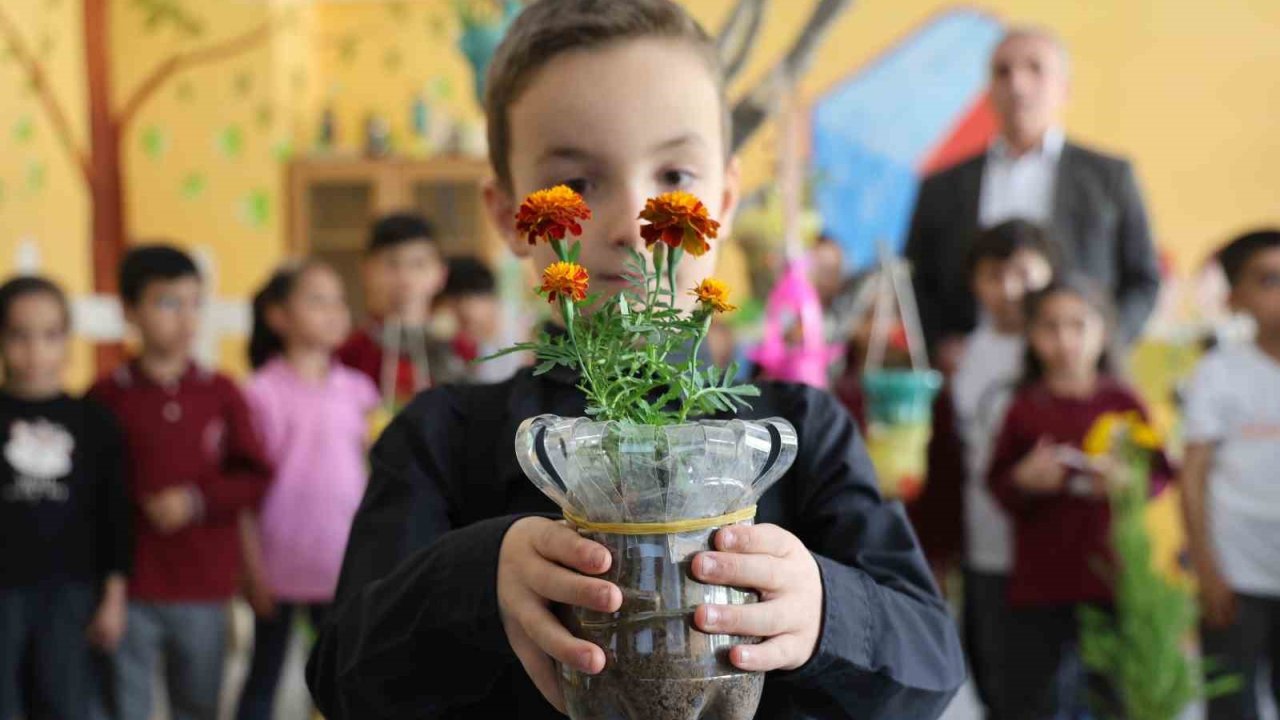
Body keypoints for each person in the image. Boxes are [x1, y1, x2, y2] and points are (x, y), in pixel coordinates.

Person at [306, 1, 965, 718]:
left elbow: (931, 663)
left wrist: (822, 609)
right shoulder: (444, 438)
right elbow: (342, 677)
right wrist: (479, 578)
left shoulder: (800, 430)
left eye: (675, 173)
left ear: (726, 197)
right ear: (508, 216)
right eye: (578, 184)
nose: (633, 223)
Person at [90, 245, 273, 720]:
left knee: (199, 706)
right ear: (130, 310)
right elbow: (91, 491)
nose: (186, 318)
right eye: (168, 303)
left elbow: (253, 478)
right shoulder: (105, 397)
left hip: (204, 587)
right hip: (127, 587)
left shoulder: (222, 392)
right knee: (124, 705)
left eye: (195, 303)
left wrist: (195, 501)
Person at [905, 26, 1160, 361]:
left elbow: (1143, 280)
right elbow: (916, 282)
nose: (1018, 84)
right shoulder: (942, 185)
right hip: (970, 369)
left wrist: (1100, 348)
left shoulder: (1110, 178)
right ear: (988, 91)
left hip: (1077, 377)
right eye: (1003, 72)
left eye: (1035, 69)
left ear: (1064, 89)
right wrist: (939, 344)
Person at [986, 276, 1169, 719]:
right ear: (1031, 336)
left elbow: (1161, 473)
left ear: (1103, 331)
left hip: (1112, 581)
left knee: (1114, 698)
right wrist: (1025, 481)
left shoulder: (1123, 400)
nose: (1065, 339)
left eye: (1078, 324)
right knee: (1034, 701)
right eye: (1050, 326)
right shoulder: (1023, 407)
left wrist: (1130, 483)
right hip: (1039, 585)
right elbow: (998, 484)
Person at [909, 220, 1055, 719]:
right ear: (974, 282)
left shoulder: (1060, 349)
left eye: (1023, 272)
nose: (1010, 289)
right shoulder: (963, 355)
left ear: (1049, 272)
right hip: (985, 543)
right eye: (995, 275)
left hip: (1051, 547)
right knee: (996, 676)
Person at [232, 260, 379, 720]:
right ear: (278, 316)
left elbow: (371, 477)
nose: (334, 310)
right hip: (277, 566)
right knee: (265, 676)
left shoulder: (358, 390)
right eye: (317, 299)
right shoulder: (258, 393)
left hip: (342, 562)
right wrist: (251, 568)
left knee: (340, 679)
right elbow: (243, 491)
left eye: (338, 299)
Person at [0, 276, 129, 720]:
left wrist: (112, 598)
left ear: (67, 341)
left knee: (65, 702)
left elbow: (114, 517)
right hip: (3, 593)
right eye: (19, 335)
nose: (35, 350)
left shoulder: (93, 421)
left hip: (70, 591)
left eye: (50, 334)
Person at [1181, 229, 1280, 719]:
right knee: (1230, 706)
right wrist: (1207, 567)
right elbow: (1193, 475)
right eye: (1269, 280)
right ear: (1236, 296)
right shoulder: (1218, 372)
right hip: (1235, 578)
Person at [337, 213, 457, 408]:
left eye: (419, 264)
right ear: (367, 270)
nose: (405, 278)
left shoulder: (460, 350)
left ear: (441, 274)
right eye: (392, 264)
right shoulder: (349, 353)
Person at [434, 255, 526, 383]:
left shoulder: (521, 329)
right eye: (452, 303)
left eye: (469, 299)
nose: (462, 310)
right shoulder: (451, 338)